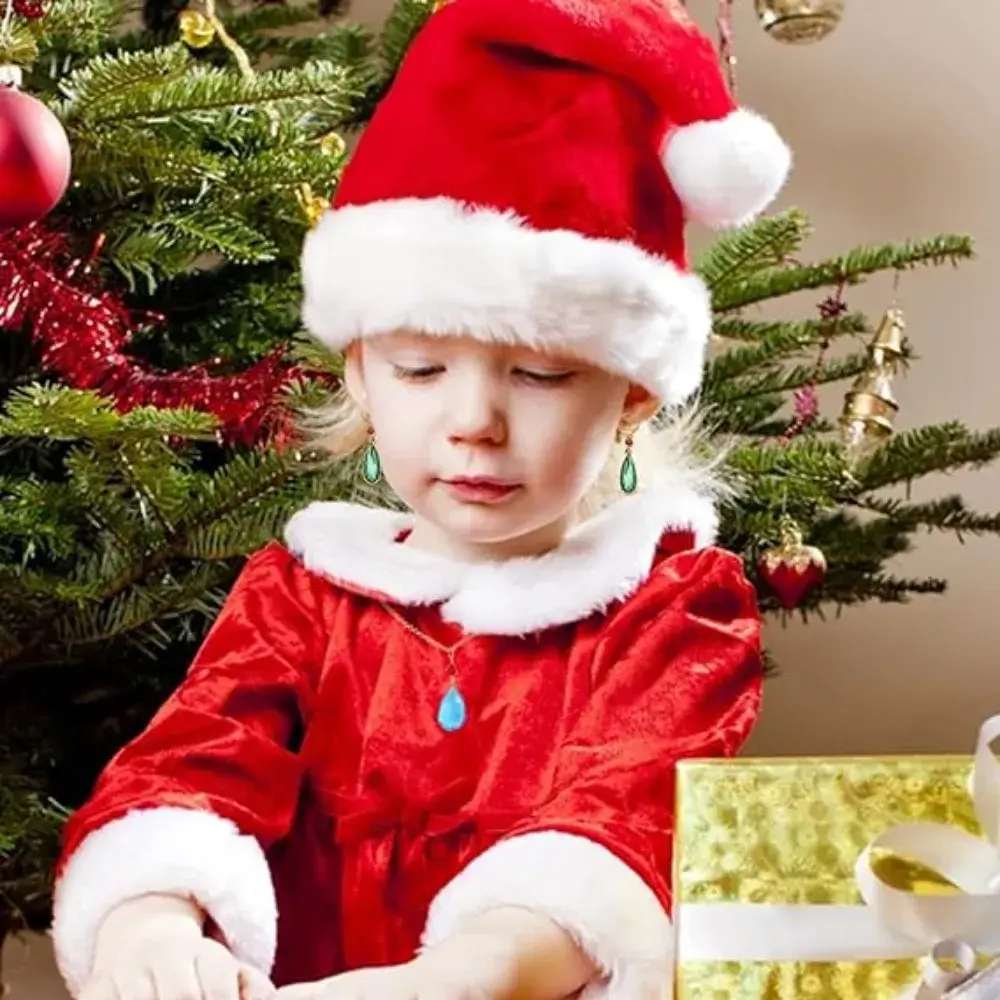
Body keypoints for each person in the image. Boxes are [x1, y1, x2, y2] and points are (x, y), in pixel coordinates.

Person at [50, 0, 791, 996]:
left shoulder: (675, 611)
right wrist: (147, 918)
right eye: (418, 368)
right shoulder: (302, 594)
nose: (473, 423)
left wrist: (461, 978)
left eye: (537, 377)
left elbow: (621, 820)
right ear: (358, 373)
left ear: (632, 393)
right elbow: (189, 761)